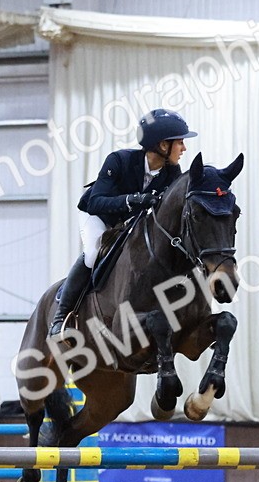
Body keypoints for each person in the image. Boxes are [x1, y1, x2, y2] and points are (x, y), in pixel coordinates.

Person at [47, 108, 197, 339]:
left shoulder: (173, 172)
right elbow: (96, 201)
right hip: (98, 217)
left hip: (131, 224)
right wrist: (132, 199)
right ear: (163, 145)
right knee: (92, 252)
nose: (184, 148)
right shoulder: (119, 160)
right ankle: (60, 318)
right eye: (180, 143)